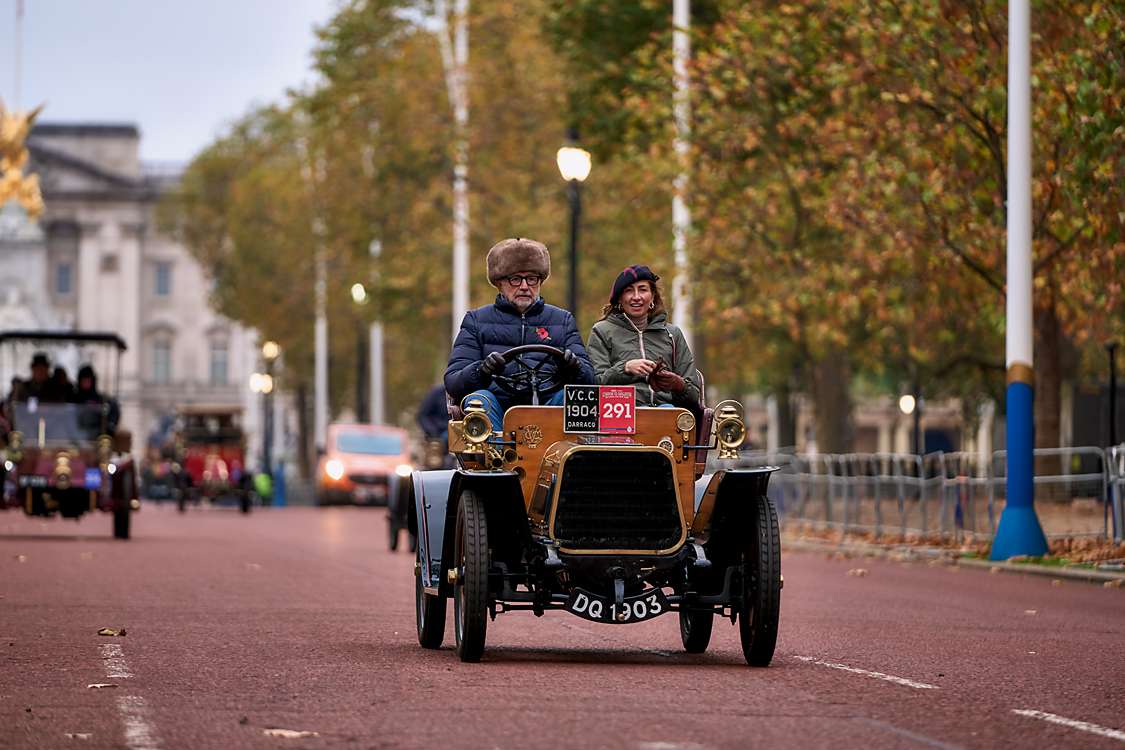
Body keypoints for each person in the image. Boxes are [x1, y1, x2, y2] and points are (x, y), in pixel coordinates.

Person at [445, 237, 596, 429]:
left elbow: (591, 380)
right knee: (479, 401)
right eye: (515, 279)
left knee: (576, 398)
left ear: (540, 281)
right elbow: (453, 382)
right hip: (498, 410)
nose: (524, 286)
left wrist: (574, 367)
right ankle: (498, 456)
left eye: (532, 279)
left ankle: (565, 456)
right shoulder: (476, 320)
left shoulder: (562, 320)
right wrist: (482, 370)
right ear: (499, 283)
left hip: (549, 410)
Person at [586, 264, 702, 409]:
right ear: (620, 299)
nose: (636, 297)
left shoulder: (672, 334)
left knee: (667, 411)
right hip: (620, 415)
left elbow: (694, 395)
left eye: (643, 289)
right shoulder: (602, 331)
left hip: (666, 412)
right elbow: (592, 384)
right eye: (629, 291)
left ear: (653, 296)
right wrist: (625, 368)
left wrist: (677, 384)